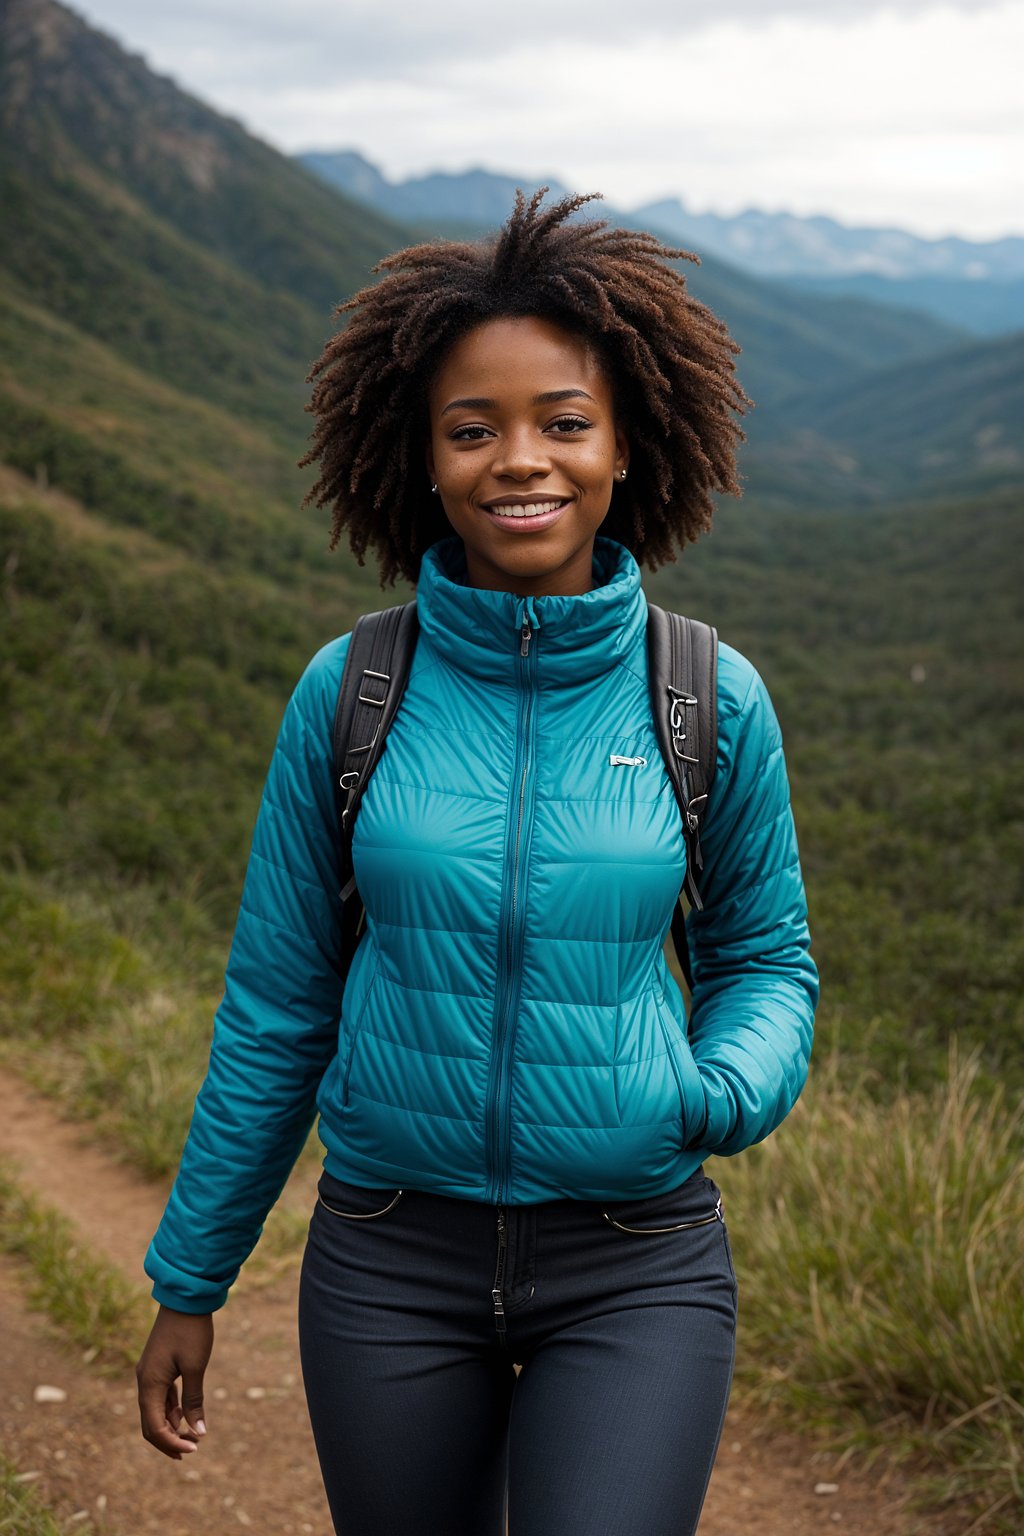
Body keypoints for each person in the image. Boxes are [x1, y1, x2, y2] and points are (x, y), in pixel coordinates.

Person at [135, 189, 818, 1536]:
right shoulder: (352, 693)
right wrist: (190, 1281)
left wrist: (722, 1088)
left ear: (629, 447)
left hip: (636, 1261)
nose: (522, 460)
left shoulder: (706, 697)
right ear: (424, 460)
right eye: (474, 428)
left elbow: (765, 961)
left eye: (565, 423)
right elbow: (277, 1006)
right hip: (390, 1254)